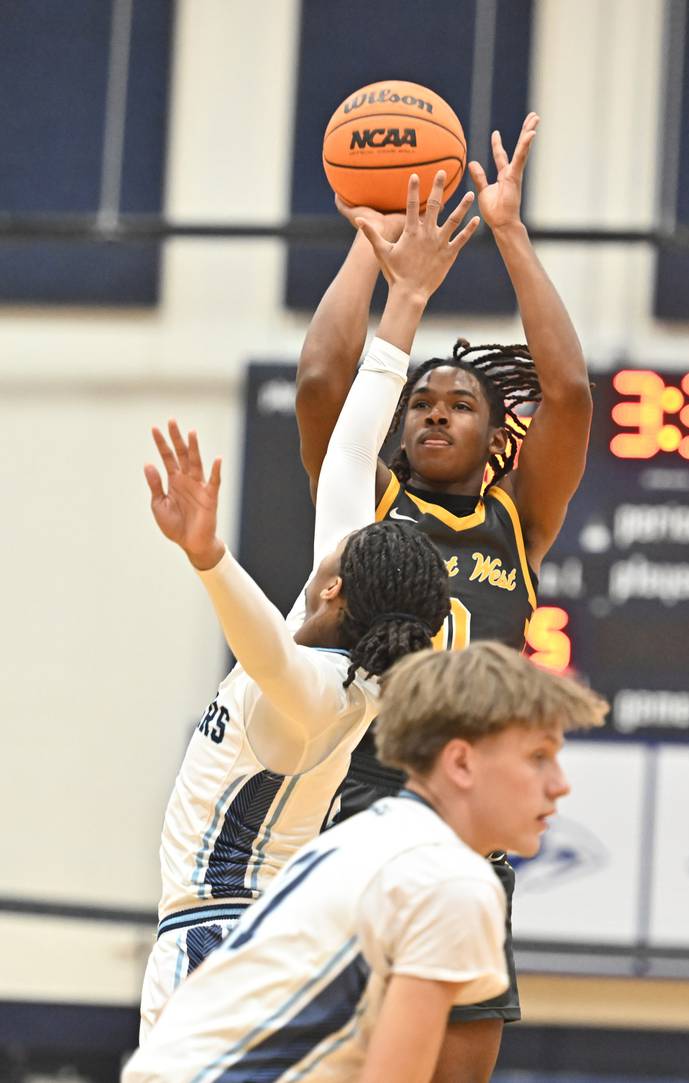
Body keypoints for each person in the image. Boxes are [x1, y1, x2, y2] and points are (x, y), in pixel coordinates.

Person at [137, 171, 478, 1040]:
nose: (337, 529)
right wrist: (402, 295)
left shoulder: (319, 693)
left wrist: (211, 558)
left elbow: (264, 653)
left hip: (221, 942)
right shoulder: (341, 646)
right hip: (261, 941)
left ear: (336, 587)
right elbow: (349, 453)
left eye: (340, 545)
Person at [294, 113, 594, 1080]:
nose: (434, 409)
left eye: (460, 402)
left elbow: (573, 392)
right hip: (360, 791)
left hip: (469, 821)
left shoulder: (520, 522)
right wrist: (370, 245)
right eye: (421, 399)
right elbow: (321, 377)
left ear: (495, 431)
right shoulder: (370, 501)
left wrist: (508, 229)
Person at [122, 641, 608, 1083]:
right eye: (539, 757)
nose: (560, 783)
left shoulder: (371, 835)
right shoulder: (449, 879)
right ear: (460, 763)